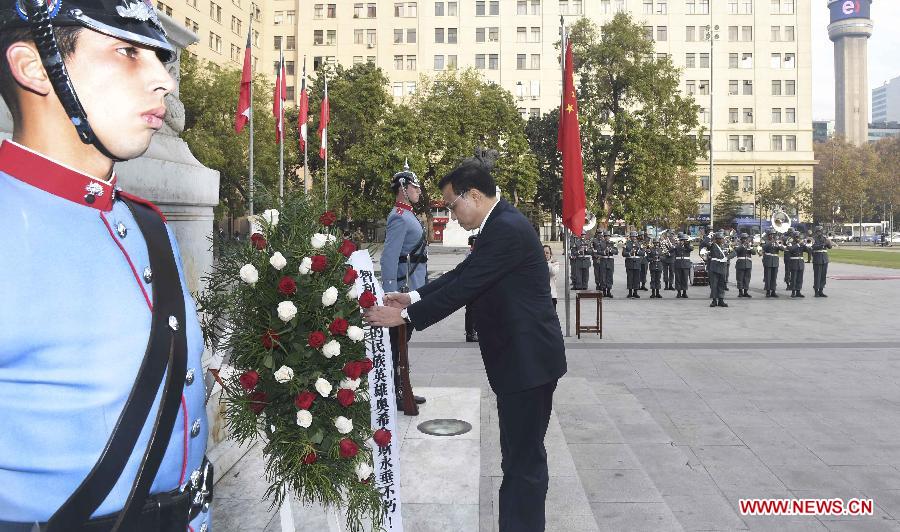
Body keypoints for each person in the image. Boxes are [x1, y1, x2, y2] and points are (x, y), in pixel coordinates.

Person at [0, 2, 212, 530]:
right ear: (33, 68)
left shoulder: (146, 225)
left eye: (160, 58)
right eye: (127, 52)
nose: (163, 80)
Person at [364, 150, 567, 532]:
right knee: (518, 458)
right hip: (522, 361)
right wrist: (413, 298)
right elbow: (464, 272)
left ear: (473, 195)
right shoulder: (499, 224)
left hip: (528, 362)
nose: (450, 214)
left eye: (452, 205)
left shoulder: (506, 227)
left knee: (524, 463)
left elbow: (467, 286)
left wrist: (405, 317)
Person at [381, 161, 428, 404]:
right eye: (415, 187)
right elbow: (389, 258)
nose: (419, 191)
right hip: (402, 290)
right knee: (396, 345)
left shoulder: (408, 215)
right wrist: (390, 293)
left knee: (403, 342)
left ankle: (402, 387)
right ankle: (397, 391)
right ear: (403, 187)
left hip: (413, 288)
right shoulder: (398, 217)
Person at [706, 232, 734, 307]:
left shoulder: (726, 246)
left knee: (721, 284)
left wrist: (727, 257)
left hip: (722, 267)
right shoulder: (712, 245)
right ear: (716, 239)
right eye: (719, 239)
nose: (721, 240)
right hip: (714, 267)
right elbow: (704, 244)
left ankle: (721, 300)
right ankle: (714, 300)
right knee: (714, 284)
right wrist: (709, 237)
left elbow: (734, 252)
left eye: (721, 238)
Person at [465, 235, 480, 340]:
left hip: (471, 285)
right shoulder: (473, 254)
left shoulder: (470, 253)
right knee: (471, 310)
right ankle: (470, 334)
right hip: (472, 285)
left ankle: (471, 333)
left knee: (471, 310)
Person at [812, 226, 833, 297]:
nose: (820, 232)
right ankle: (816, 291)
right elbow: (814, 247)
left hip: (824, 259)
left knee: (823, 276)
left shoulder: (825, 238)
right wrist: (823, 244)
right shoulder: (813, 239)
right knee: (817, 276)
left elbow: (830, 247)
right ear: (816, 231)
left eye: (820, 231)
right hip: (817, 259)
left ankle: (821, 290)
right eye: (818, 231)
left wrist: (829, 242)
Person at [761, 231, 783, 298]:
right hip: (768, 260)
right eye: (770, 234)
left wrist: (778, 244)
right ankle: (768, 291)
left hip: (775, 261)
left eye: (773, 235)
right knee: (768, 277)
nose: (772, 236)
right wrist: (771, 242)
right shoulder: (765, 241)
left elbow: (782, 249)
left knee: (774, 277)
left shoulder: (776, 242)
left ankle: (773, 291)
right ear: (768, 235)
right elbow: (763, 247)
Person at [786, 230, 807, 298]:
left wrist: (805, 245)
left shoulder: (801, 244)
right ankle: (793, 292)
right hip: (794, 262)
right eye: (796, 237)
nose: (798, 238)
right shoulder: (790, 243)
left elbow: (808, 250)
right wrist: (798, 244)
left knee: (800, 278)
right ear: (794, 237)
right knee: (794, 278)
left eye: (798, 237)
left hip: (800, 262)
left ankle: (798, 291)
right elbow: (791, 249)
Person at [673, 233, 693, 298]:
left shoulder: (689, 245)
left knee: (685, 279)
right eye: (682, 240)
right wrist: (678, 244)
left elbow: (690, 249)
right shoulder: (677, 246)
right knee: (678, 278)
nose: (683, 241)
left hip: (686, 264)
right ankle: (678, 292)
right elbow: (671, 250)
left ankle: (684, 292)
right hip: (678, 264)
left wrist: (686, 244)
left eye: (684, 240)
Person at [734, 233, 754, 298]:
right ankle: (740, 292)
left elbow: (754, 252)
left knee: (747, 278)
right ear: (741, 239)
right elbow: (736, 250)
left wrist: (750, 247)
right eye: (744, 239)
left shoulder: (749, 245)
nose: (745, 240)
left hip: (748, 264)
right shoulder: (738, 245)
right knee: (740, 278)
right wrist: (743, 245)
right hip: (740, 264)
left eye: (746, 238)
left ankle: (745, 292)